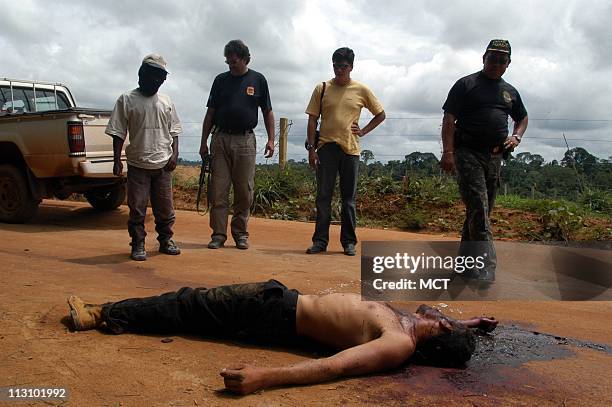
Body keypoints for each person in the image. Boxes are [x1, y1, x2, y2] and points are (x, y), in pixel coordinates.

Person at [67, 279, 498, 395]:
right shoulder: (407, 321)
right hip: (280, 300)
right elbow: (439, 319)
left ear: (442, 328)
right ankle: (110, 313)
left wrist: (265, 376)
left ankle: (101, 314)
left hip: (273, 314)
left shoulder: (399, 342)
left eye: (449, 319)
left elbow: (334, 367)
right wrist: (475, 324)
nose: (443, 313)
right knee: (193, 307)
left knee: (189, 305)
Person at [440, 39, 528, 281]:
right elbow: (449, 120)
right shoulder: (466, 84)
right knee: (478, 206)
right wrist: (448, 153)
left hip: (495, 156)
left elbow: (522, 117)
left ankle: (464, 264)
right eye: (492, 58)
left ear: (508, 64)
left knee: (481, 212)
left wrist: (516, 137)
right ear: (483, 58)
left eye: (502, 59)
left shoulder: (510, 92)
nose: (496, 63)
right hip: (467, 153)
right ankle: (487, 265)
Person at [305, 47, 386, 256]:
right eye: (336, 66)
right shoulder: (322, 88)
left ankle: (349, 242)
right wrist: (312, 149)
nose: (339, 70)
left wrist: (364, 131)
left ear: (351, 67)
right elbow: (312, 118)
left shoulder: (361, 89)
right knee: (323, 197)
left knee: (348, 199)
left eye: (343, 66)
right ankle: (320, 241)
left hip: (350, 150)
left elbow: (380, 114)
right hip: (325, 149)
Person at [199, 40, 275, 251]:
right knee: (218, 190)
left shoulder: (258, 80)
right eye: (228, 62)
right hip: (220, 139)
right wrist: (203, 141)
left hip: (245, 141)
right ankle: (218, 235)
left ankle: (240, 234)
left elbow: (268, 111)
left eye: (234, 62)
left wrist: (271, 139)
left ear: (244, 59)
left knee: (244, 190)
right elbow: (210, 113)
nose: (230, 66)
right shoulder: (220, 80)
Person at [106, 54, 182, 261]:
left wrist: (174, 155)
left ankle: (166, 240)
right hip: (138, 165)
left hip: (163, 165)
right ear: (142, 75)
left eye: (162, 78)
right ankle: (138, 243)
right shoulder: (127, 99)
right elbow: (118, 132)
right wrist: (116, 161)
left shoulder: (166, 101)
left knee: (165, 208)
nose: (158, 82)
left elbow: (174, 131)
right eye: (154, 76)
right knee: (137, 209)